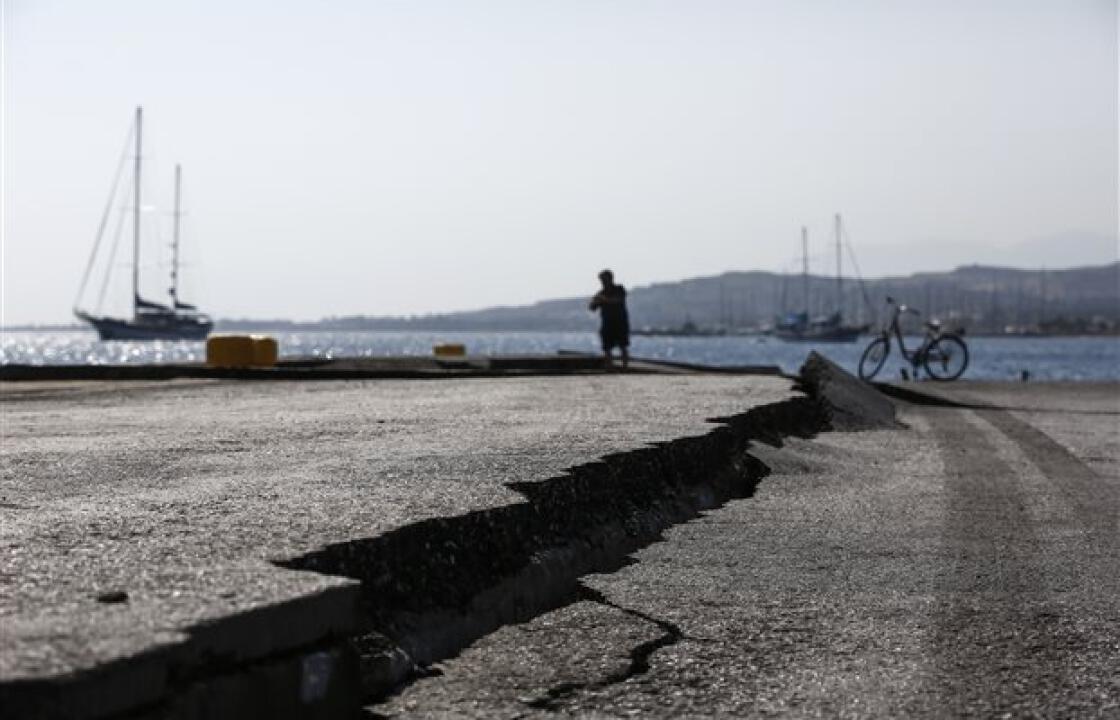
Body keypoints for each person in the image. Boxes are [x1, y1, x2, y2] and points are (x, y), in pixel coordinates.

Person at [589, 269, 630, 369]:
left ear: (610, 279)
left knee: (623, 345)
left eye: (604, 279)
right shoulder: (600, 293)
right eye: (601, 280)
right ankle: (609, 366)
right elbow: (592, 308)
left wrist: (604, 300)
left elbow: (618, 300)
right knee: (606, 346)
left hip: (620, 322)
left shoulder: (619, 289)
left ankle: (625, 367)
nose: (602, 282)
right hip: (607, 323)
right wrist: (594, 302)